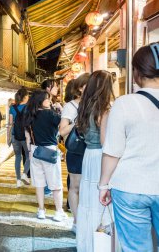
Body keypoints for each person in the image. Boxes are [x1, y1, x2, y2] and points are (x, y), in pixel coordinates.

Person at [99, 43, 159, 252]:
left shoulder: (124, 103)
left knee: (136, 248)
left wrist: (104, 186)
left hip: (130, 187)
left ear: (136, 72)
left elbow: (112, 151)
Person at [75, 70, 115, 252]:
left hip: (89, 156)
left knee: (88, 202)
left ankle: (86, 244)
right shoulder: (105, 109)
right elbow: (105, 142)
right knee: (100, 202)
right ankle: (99, 245)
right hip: (100, 157)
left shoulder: (85, 106)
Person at [24, 89, 68, 222]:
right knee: (55, 184)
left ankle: (41, 210)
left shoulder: (30, 115)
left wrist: (30, 152)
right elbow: (63, 128)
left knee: (39, 184)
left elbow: (27, 136)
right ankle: (58, 212)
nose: (49, 100)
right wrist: (61, 109)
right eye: (47, 99)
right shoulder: (51, 114)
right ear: (40, 101)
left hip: (35, 151)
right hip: (50, 152)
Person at [59, 73, 90, 233]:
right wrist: (76, 123)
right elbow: (62, 131)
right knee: (76, 187)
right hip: (77, 151)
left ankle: (87, 219)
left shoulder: (97, 104)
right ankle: (77, 222)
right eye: (87, 85)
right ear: (79, 88)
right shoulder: (70, 106)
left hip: (93, 151)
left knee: (90, 187)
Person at [7, 88, 30, 187]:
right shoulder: (28, 108)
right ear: (25, 97)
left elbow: (10, 124)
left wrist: (8, 138)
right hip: (25, 135)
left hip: (14, 135)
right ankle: (25, 173)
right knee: (29, 156)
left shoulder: (12, 108)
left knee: (18, 157)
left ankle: (18, 181)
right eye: (28, 95)